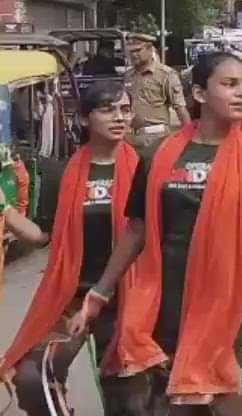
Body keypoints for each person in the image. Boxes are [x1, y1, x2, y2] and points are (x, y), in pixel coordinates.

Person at [73, 52, 242, 414]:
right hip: (169, 305)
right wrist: (99, 293)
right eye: (229, 84)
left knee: (230, 402)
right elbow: (137, 230)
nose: (241, 93)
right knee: (178, 403)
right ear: (198, 93)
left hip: (236, 304)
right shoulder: (159, 155)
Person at [0, 83, 141, 415]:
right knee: (33, 379)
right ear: (82, 119)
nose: (118, 117)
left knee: (128, 397)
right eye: (107, 109)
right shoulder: (59, 174)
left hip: (128, 298)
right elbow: (42, 236)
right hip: (71, 298)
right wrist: (5, 212)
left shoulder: (147, 168)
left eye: (124, 109)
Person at [123, 32, 190, 147]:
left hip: (158, 137)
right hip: (133, 137)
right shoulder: (128, 76)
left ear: (150, 49)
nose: (134, 55)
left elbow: (180, 108)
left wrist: (188, 139)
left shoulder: (166, 75)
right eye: (131, 51)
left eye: (138, 50)